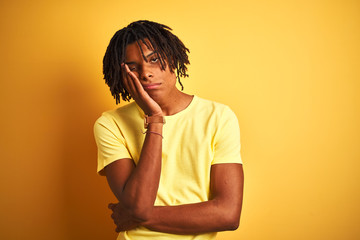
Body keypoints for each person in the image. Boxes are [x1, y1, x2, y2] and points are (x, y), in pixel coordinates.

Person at [94, 20, 244, 240]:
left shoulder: (219, 117)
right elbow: (138, 204)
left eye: (154, 59)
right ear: (123, 76)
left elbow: (228, 215)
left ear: (173, 58)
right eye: (133, 67)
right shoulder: (110, 124)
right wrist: (155, 120)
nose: (145, 73)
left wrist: (138, 216)